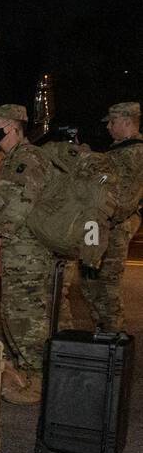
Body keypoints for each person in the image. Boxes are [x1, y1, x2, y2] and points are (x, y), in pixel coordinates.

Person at [0, 104, 53, 405]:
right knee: (13, 314)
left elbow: (21, 203)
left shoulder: (28, 160)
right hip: (19, 251)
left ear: (12, 127)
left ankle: (37, 381)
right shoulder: (15, 160)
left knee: (27, 317)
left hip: (29, 253)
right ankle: (26, 371)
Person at [75, 102, 143, 332]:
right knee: (89, 277)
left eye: (112, 122)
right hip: (103, 225)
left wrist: (87, 159)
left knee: (106, 283)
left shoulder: (134, 152)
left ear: (126, 122)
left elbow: (117, 191)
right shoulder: (121, 151)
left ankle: (113, 337)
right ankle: (105, 330)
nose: (108, 127)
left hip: (114, 227)